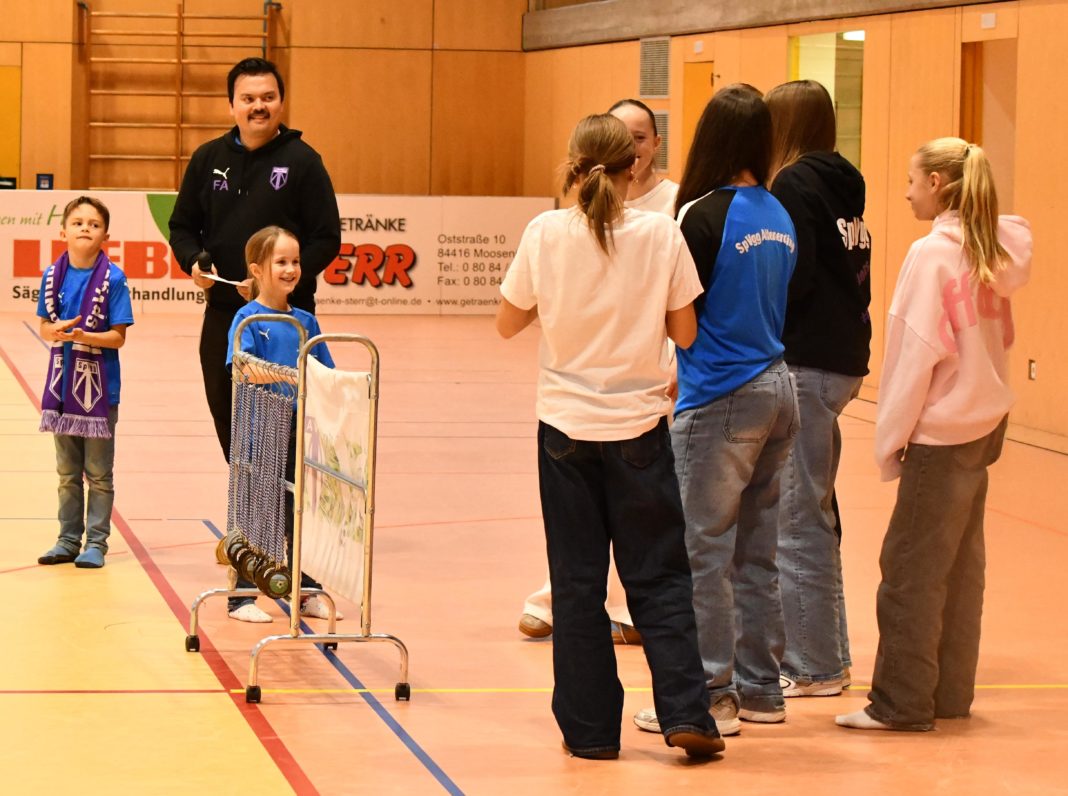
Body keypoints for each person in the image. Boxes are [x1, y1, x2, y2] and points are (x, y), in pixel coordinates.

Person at [496, 113, 723, 760]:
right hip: (640, 430)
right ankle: (688, 713)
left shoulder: (545, 233)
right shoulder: (660, 234)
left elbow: (507, 322)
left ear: (572, 167)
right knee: (661, 577)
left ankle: (591, 731)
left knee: (576, 583)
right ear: (635, 166)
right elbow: (685, 333)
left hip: (565, 430)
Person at [837, 138, 1031, 731]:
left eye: (912, 180)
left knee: (911, 569)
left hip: (942, 432)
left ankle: (901, 702)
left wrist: (890, 439)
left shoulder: (932, 255)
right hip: (983, 422)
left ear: (939, 184)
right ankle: (948, 693)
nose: (906, 193)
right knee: (960, 567)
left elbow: (913, 354)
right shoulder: (990, 248)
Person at [632, 84, 798, 738]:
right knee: (757, 552)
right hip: (778, 388)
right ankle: (761, 690)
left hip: (722, 397)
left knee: (700, 552)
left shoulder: (700, 215)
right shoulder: (778, 213)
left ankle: (707, 696)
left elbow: (679, 314)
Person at [517, 97, 679, 646]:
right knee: (608, 557)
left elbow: (506, 320)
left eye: (641, 135)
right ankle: (683, 704)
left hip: (615, 406)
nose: (635, 146)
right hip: (603, 413)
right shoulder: (569, 227)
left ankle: (622, 624)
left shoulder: (667, 212)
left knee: (607, 556)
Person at [169, 56, 341, 464]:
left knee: (287, 431)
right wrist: (193, 262)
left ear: (281, 101)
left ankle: (283, 505)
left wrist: (278, 282)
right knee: (230, 423)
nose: (258, 106)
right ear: (232, 105)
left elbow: (326, 238)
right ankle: (250, 502)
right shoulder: (208, 159)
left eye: (268, 97)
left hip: (286, 319)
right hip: (224, 316)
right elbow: (182, 227)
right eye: (248, 98)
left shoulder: (304, 162)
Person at [764, 79, 872, 697]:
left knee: (796, 515)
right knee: (816, 510)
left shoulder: (791, 184)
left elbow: (794, 275)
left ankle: (813, 665)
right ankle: (830, 653)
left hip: (808, 362)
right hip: (842, 361)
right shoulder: (842, 185)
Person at [225, 226, 343, 623]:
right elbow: (242, 367)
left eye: (295, 261)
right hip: (260, 432)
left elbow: (324, 371)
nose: (291, 269)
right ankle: (242, 596)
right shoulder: (247, 319)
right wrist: (290, 376)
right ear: (257, 269)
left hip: (300, 432)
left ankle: (304, 591)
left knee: (301, 511)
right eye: (281, 262)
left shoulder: (306, 321)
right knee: (256, 512)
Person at [36, 196, 134, 570]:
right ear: (63, 231)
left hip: (99, 392)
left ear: (105, 236)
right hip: (61, 390)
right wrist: (56, 330)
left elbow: (118, 337)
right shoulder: (52, 276)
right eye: (77, 223)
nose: (85, 229)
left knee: (98, 474)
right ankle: (67, 539)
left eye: (93, 224)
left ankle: (95, 542)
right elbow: (45, 327)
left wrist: (84, 336)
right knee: (67, 473)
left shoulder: (114, 279)